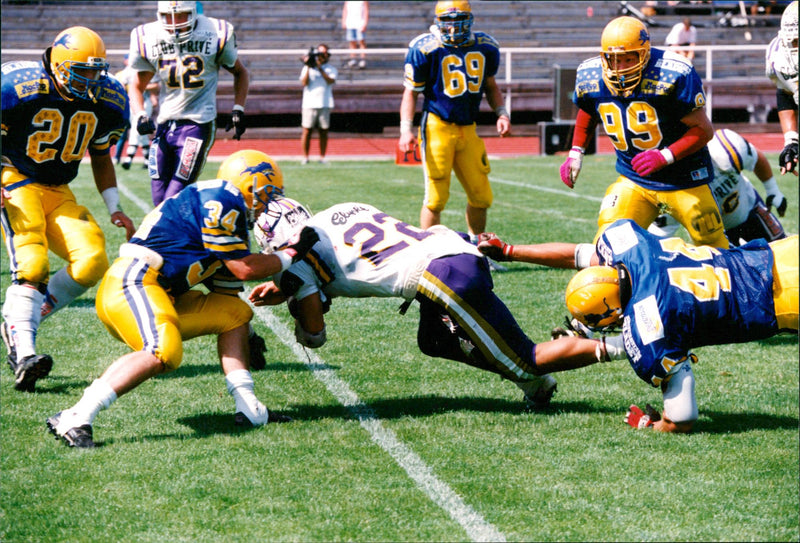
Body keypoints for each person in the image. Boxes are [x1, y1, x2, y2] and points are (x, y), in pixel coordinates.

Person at [247, 198, 634, 412]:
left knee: (526, 357)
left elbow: (315, 336)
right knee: (432, 339)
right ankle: (532, 374)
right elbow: (343, 263)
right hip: (448, 249)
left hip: (441, 276)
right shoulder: (340, 210)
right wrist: (287, 289)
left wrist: (296, 303)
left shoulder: (293, 261)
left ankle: (626, 348)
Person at [46, 150, 320, 448]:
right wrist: (292, 252)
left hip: (162, 295)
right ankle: (76, 415)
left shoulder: (231, 216)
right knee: (164, 351)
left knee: (236, 313)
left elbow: (225, 290)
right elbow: (245, 269)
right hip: (134, 282)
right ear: (248, 185)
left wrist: (249, 336)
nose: (268, 203)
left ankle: (249, 408)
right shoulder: (222, 198)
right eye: (267, 193)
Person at [477, 219, 798, 433]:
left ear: (613, 314)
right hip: (775, 254)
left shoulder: (647, 328)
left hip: (782, 302)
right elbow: (577, 254)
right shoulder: (630, 249)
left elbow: (683, 417)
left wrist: (654, 424)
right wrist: (510, 251)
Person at [1, 26, 136, 392]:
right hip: (14, 178)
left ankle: (19, 320)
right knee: (33, 263)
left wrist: (115, 207)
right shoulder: (20, 85)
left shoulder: (107, 98)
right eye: (82, 72)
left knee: (93, 260)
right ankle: (24, 351)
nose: (91, 80)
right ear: (60, 66)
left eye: (97, 72)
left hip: (58, 188)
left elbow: (101, 155)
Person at [554, 15, 727, 272]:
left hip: (683, 179)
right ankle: (606, 308)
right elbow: (589, 110)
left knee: (714, 247)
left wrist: (665, 156)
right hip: (634, 179)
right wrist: (576, 152)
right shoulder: (592, 75)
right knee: (607, 246)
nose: (619, 67)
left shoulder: (672, 73)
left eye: (627, 58)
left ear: (644, 54)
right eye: (613, 59)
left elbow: (703, 130)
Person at [398, 0, 511, 245]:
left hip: (469, 127)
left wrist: (502, 113)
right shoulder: (425, 48)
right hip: (437, 126)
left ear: (469, 19)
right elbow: (411, 92)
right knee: (436, 198)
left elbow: (490, 86)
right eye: (447, 21)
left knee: (481, 195)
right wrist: (405, 130)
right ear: (438, 21)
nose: (452, 27)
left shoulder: (485, 46)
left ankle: (480, 250)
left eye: (458, 20)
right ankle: (429, 253)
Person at [128, 1, 250, 206]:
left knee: (173, 198)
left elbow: (240, 72)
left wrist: (238, 108)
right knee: (159, 198)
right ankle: (173, 235)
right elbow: (136, 85)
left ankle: (170, 236)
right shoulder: (150, 36)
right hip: (165, 124)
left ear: (194, 12)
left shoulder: (215, 32)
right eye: (168, 16)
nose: (175, 22)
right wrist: (140, 114)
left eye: (182, 15)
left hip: (197, 123)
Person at [648, 128, 787, 246]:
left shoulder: (725, 148)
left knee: (783, 256)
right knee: (730, 275)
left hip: (750, 209)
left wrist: (772, 189)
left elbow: (756, 158)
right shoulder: (670, 187)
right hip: (713, 235)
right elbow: (657, 239)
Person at [765, 0, 798, 176]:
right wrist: (791, 140)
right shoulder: (778, 57)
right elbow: (785, 92)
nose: (796, 47)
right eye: (794, 41)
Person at [114, 54, 159, 170]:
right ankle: (147, 159)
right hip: (132, 101)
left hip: (145, 101)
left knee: (137, 126)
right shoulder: (126, 72)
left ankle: (129, 157)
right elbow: (122, 85)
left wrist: (140, 87)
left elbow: (156, 85)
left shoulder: (145, 68)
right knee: (142, 130)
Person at [300, 44, 337, 165]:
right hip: (309, 104)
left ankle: (322, 156)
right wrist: (309, 66)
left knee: (324, 131)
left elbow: (330, 81)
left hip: (325, 103)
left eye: (324, 53)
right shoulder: (308, 68)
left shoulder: (331, 68)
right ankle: (305, 157)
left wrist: (320, 68)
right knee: (307, 131)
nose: (322, 56)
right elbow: (304, 83)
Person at [342, 1, 369, 69]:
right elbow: (345, 10)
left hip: (360, 23)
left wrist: (365, 23)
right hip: (350, 23)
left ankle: (362, 59)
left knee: (361, 41)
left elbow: (366, 10)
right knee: (352, 42)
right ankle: (353, 58)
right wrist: (344, 21)